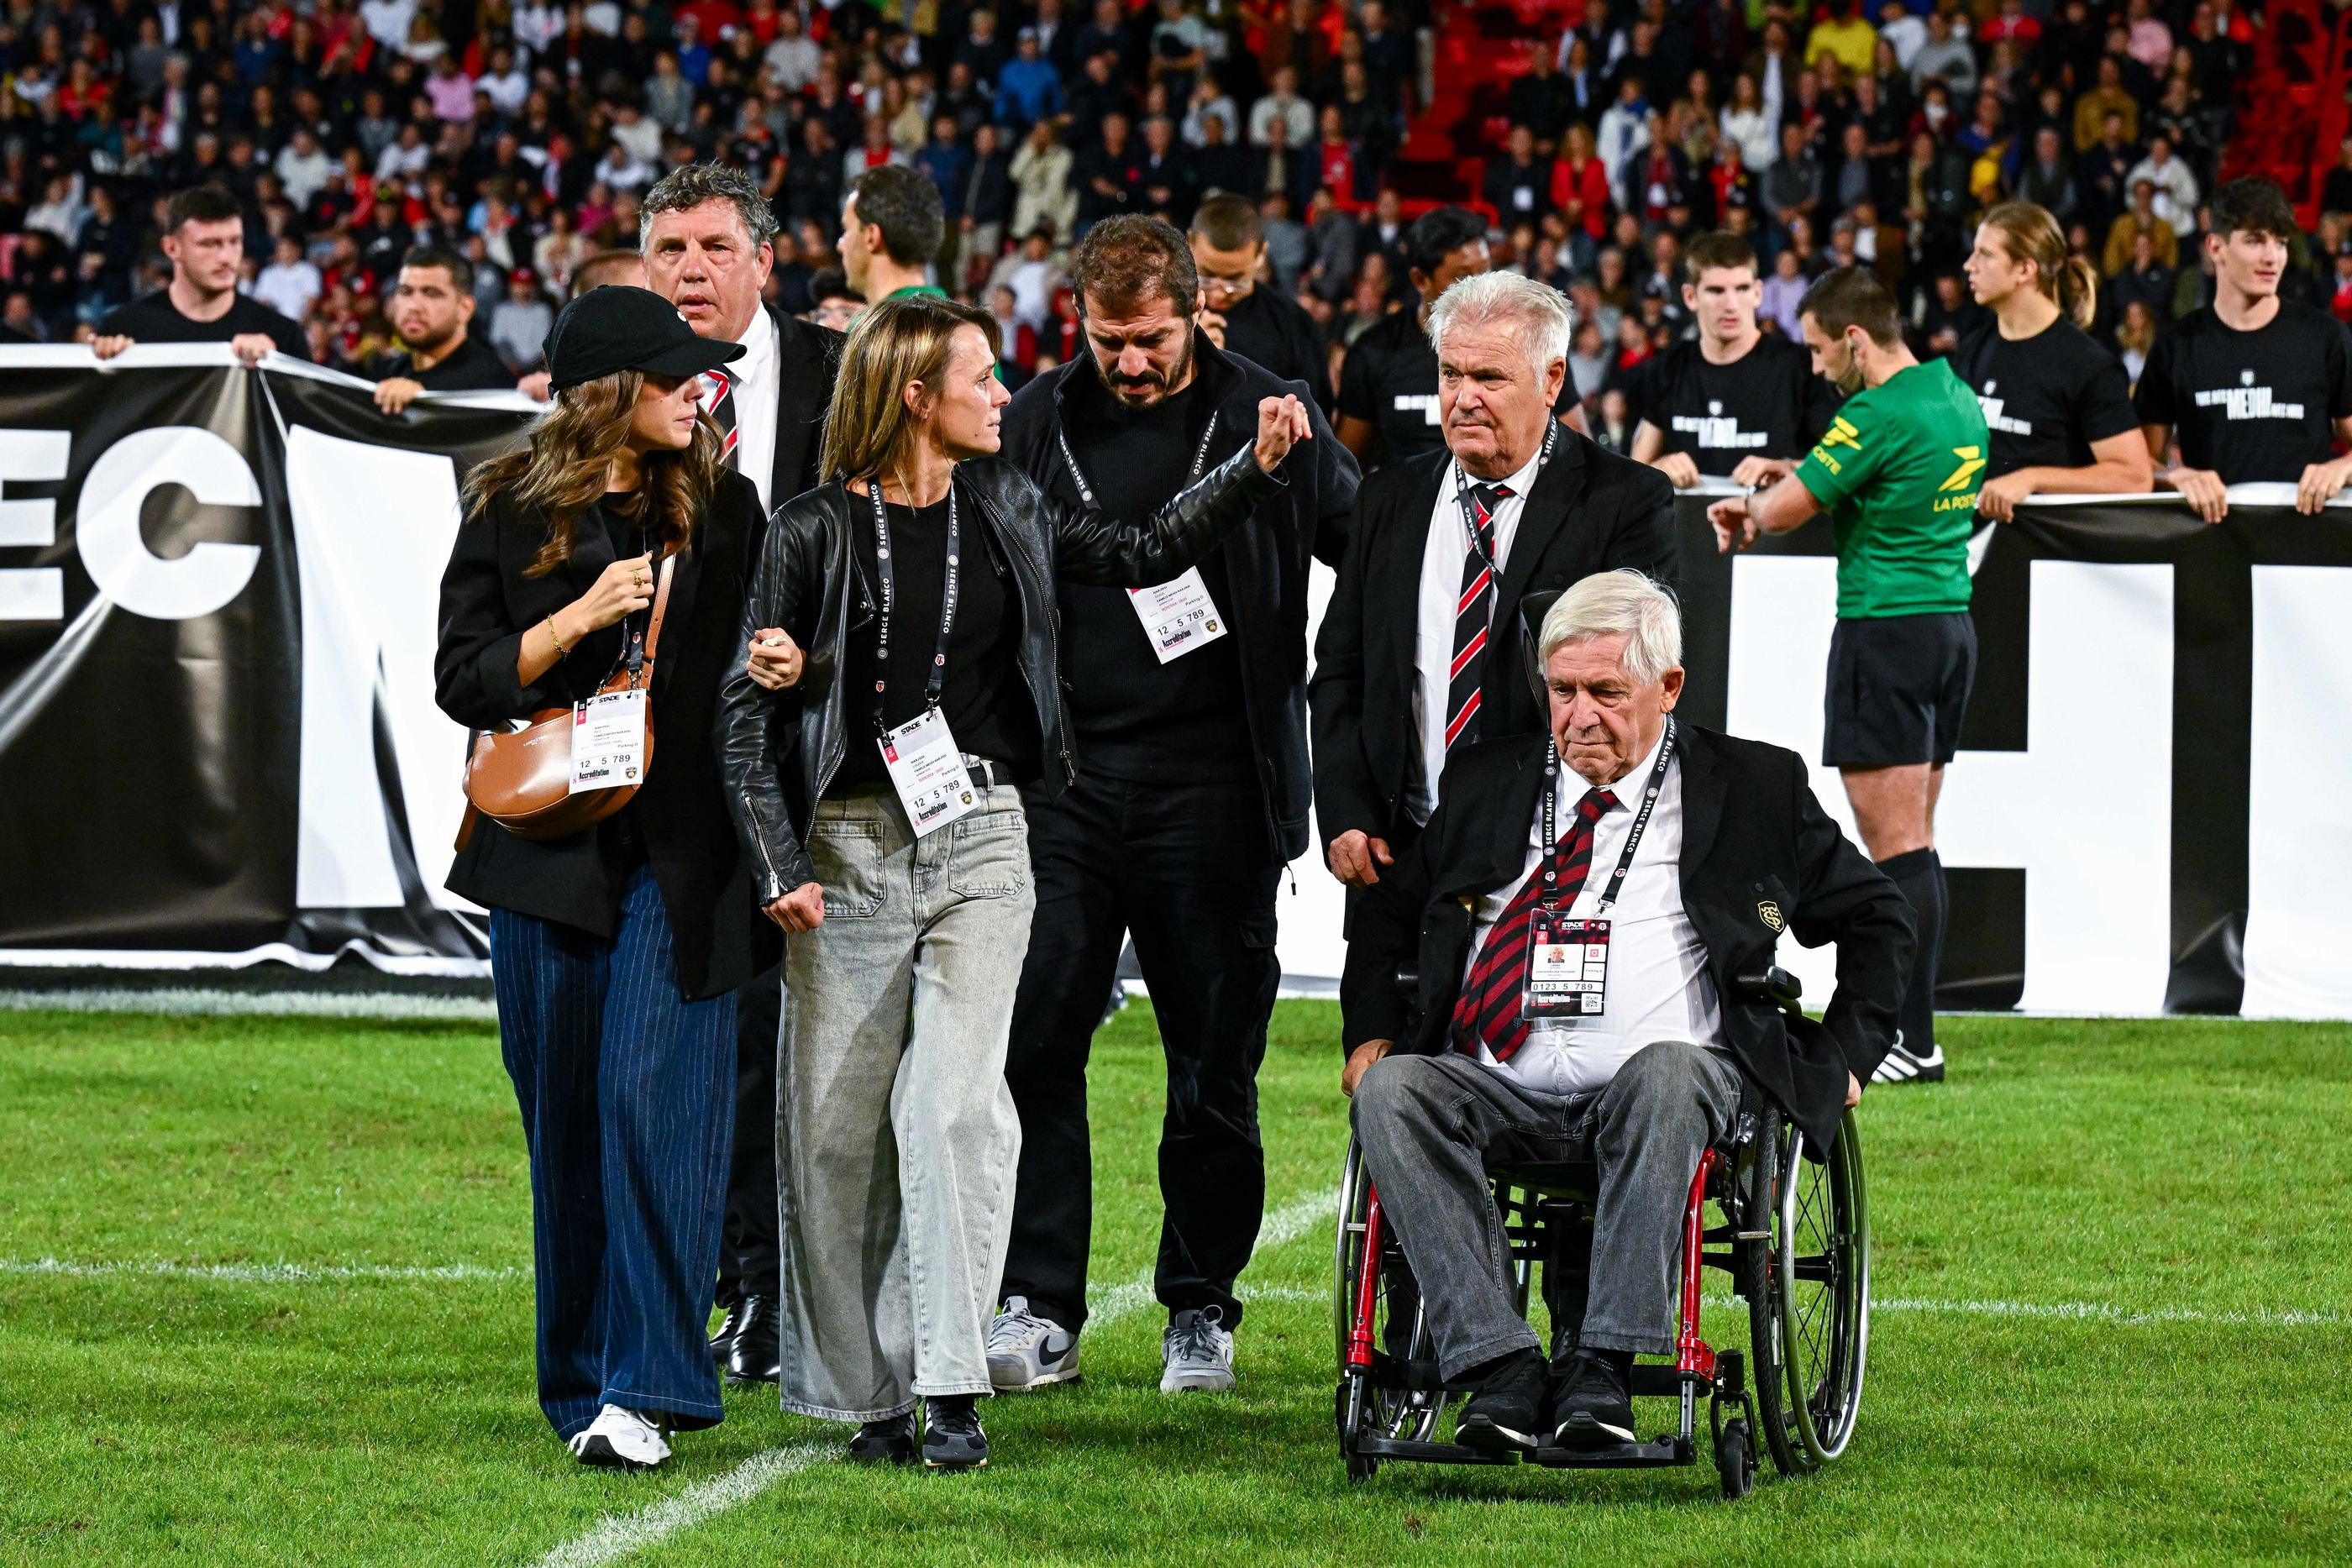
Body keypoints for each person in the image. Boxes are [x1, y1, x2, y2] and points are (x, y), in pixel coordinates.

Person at [718, 295, 1310, 1471]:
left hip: (987, 835)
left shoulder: (1015, 505)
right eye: (982, 378)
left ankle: (947, 1384)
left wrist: (1252, 467)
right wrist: (779, 860)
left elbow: (1143, 552)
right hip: (845, 847)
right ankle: (863, 1395)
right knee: (833, 1136)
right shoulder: (810, 528)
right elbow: (745, 711)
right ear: (914, 398)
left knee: (955, 1106)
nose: (1005, 395)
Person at [1338, 571, 1910, 1454]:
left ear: (1668, 688)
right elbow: (1387, 907)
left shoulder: (1752, 785)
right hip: (1497, 1084)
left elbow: (1878, 917)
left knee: (1669, 1069)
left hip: (1668, 1087)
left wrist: (1844, 1056)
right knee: (1395, 1091)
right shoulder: (1490, 778)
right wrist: (1372, 1029)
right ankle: (1500, 1366)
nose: (1577, 717)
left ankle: (1603, 1361)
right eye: (1561, 691)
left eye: (1606, 692)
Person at [984, 217, 1358, 1397]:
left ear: (1199, 311)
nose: (1130, 362)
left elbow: (1375, 543)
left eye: (1149, 339)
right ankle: (1040, 1301)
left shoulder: (1274, 410)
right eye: (1109, 339)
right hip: (1067, 786)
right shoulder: (1038, 420)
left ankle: (1199, 1303)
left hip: (1219, 788)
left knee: (1212, 1062)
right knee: (1034, 1039)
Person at [433, 285, 772, 1471]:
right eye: (677, 373)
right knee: (568, 1123)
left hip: (682, 858)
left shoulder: (726, 508)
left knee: (653, 1105)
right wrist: (580, 613)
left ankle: (651, 1386)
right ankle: (579, 1386)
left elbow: (758, 677)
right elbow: (464, 679)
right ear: (613, 389)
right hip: (545, 858)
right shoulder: (509, 504)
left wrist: (788, 660)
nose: (699, 389)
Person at [637, 163, 845, 1388]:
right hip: (662, 767)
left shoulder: (836, 376)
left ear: (765, 260)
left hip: (815, 756)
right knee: (700, 1034)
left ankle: (801, 1287)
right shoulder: (618, 390)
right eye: (669, 249)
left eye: (715, 247)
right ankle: (739, 1286)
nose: (691, 271)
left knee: (809, 1044)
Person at [1313, 270, 1678, 901]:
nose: (1463, 398)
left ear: (1553, 381)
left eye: (1490, 378)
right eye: (1451, 374)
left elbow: (1635, 683)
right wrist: (1345, 810)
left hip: (1555, 857)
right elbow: (1342, 669)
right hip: (1394, 857)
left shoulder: (1627, 500)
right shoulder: (1388, 497)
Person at [1705, 266, 1985, 1086]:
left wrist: (1749, 509)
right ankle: (1918, 1032)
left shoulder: (1873, 412)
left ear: (1856, 340)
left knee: (1894, 848)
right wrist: (1803, 469)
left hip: (1884, 631)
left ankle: (1908, 1035)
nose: (1819, 368)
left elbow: (1786, 511)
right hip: (1946, 627)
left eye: (1823, 350)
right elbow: (1876, 474)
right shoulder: (1953, 395)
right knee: (1920, 840)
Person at [2135, 178, 2352, 521]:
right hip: (2212, 547)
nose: (2272, 257)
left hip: (2308, 548)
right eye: (2255, 241)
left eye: (2280, 243)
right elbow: (2138, 464)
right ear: (2216, 248)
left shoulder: (2325, 337)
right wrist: (2174, 476)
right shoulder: (2177, 345)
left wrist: (2343, 468)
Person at [1955, 202, 2153, 521]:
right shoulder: (1973, 349)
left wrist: (2032, 479)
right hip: (1975, 555)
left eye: (1986, 254)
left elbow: (2134, 477)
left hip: (2050, 559)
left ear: (2025, 270)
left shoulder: (2087, 365)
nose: (1969, 265)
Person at [1629, 230, 1843, 488]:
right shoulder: (1668, 368)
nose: (1731, 304)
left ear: (1757, 293)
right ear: (1690, 297)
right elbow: (1635, 476)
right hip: (1689, 526)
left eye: (1741, 289)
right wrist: (1658, 469)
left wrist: (1787, 469)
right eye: (1716, 290)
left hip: (1777, 526)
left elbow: (1844, 464)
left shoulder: (1799, 367)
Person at [1334, 206, 1491, 469]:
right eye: (1463, 277)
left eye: (1485, 271)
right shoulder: (1374, 352)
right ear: (1420, 280)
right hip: (1406, 506)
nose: (1482, 288)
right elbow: (1347, 469)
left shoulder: (1523, 344)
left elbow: (1574, 449)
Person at [92, 185, 303, 364]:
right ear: (172, 248)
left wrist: (277, 368)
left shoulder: (280, 336)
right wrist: (110, 367)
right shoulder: (124, 331)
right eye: (209, 244)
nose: (226, 257)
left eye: (234, 242)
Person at [1189, 192, 1329, 408]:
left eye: (1235, 280)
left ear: (1261, 254)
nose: (1219, 293)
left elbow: (1315, 418)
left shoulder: (1293, 325)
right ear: (1190, 243)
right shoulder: (1161, 315)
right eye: (1207, 276)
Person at [366, 246, 522, 413]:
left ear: (465, 308)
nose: (414, 306)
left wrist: (426, 403)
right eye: (406, 291)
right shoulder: (389, 371)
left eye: (432, 293)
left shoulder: (492, 384)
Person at [840, 164, 949, 303]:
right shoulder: (965, 321)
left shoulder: (875, 324)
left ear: (872, 237)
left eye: (846, 230)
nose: (840, 245)